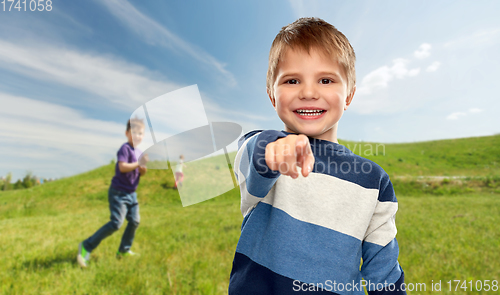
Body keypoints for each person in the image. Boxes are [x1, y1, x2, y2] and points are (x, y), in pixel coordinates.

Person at [228, 17, 407, 294]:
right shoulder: (260, 150)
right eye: (292, 80)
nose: (309, 92)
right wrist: (276, 149)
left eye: (325, 80)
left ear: (349, 96)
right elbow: (258, 154)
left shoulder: (373, 180)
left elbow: (383, 274)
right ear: (272, 95)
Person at [77, 118, 148, 268]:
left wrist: (142, 169)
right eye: (134, 132)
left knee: (135, 221)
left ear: (143, 135)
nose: (137, 135)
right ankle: (86, 246)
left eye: (140, 133)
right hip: (119, 193)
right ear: (127, 133)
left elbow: (141, 173)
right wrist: (138, 163)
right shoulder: (125, 149)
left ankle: (124, 250)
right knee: (116, 223)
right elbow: (122, 167)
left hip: (132, 194)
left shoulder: (140, 152)